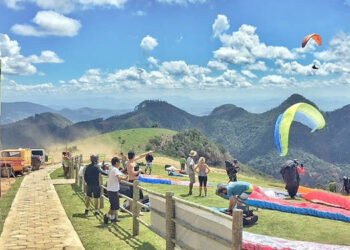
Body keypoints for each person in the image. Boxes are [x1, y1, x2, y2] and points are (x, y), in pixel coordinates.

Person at [104, 157, 127, 224]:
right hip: (113, 190)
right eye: (119, 162)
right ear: (116, 163)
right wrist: (125, 179)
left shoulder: (111, 169)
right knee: (115, 206)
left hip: (110, 189)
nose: (119, 163)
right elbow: (119, 178)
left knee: (113, 205)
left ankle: (113, 218)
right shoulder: (115, 170)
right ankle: (107, 216)